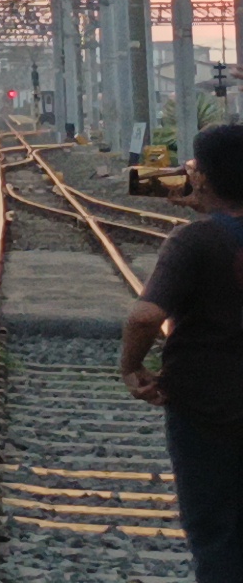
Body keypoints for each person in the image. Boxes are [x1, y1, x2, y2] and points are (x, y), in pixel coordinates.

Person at [123, 122, 243, 582]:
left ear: (205, 179)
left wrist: (132, 367)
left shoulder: (193, 242)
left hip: (204, 407)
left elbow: (144, 317)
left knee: (216, 534)